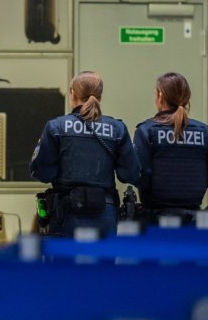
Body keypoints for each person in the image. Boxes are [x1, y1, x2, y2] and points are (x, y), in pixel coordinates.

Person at [29, 71, 141, 237]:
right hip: (106, 214)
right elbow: (130, 174)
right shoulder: (117, 129)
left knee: (66, 263)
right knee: (103, 263)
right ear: (100, 97)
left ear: (72, 94)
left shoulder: (56, 127)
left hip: (66, 216)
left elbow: (42, 172)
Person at [133, 72, 208, 221]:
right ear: (187, 98)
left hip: (156, 222)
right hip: (194, 222)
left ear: (160, 96)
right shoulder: (204, 133)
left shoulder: (147, 131)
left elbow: (140, 177)